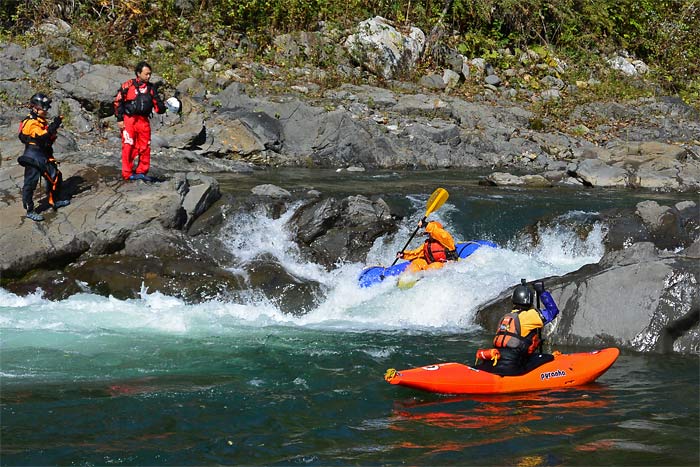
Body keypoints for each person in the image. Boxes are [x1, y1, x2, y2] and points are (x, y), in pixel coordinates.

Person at [479, 279, 560, 376]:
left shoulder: (506, 317)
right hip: (515, 365)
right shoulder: (529, 316)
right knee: (549, 358)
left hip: (498, 361)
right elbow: (552, 311)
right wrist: (541, 292)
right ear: (529, 301)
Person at [17, 93, 70, 222]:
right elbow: (42, 136)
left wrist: (53, 128)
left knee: (55, 176)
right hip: (33, 155)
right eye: (43, 108)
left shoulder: (40, 120)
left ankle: (54, 201)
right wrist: (55, 125)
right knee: (31, 182)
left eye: (46, 108)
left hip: (43, 154)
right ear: (35, 108)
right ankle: (30, 210)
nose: (46, 111)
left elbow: (47, 138)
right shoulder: (30, 122)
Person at [113, 61, 165, 181]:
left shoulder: (151, 88)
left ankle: (142, 171)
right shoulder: (128, 85)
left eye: (150, 74)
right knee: (128, 145)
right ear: (138, 73)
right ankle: (127, 173)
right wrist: (119, 119)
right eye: (146, 74)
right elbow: (118, 102)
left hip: (143, 121)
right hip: (129, 120)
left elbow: (158, 107)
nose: (149, 76)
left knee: (145, 147)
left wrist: (163, 107)